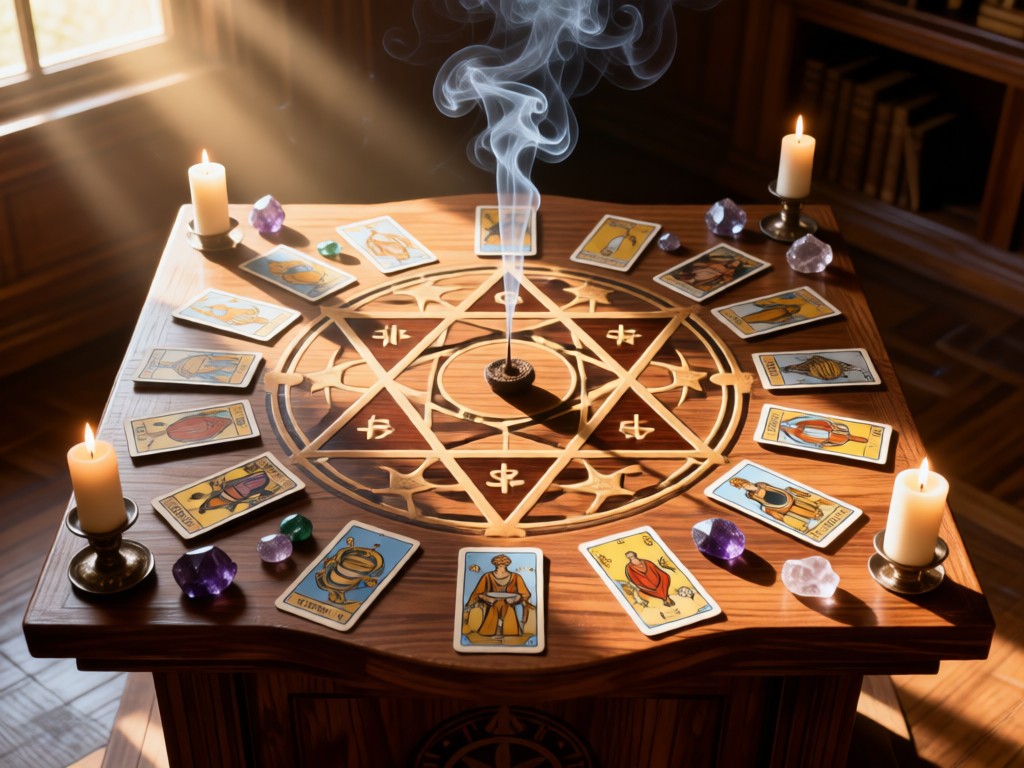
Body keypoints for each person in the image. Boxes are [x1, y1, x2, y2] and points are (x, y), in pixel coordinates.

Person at [728, 477, 838, 532]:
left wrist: (786, 494)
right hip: (776, 505)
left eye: (745, 484)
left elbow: (773, 488)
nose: (745, 487)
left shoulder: (761, 484)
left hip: (784, 497)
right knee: (792, 510)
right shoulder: (750, 495)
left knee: (799, 503)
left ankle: (817, 511)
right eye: (743, 487)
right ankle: (811, 518)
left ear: (746, 482)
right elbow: (761, 504)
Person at [467, 554, 532, 637]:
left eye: (502, 565)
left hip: (509, 604)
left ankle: (509, 631)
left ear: (506, 565)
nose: (500, 567)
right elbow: (478, 593)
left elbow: (525, 594)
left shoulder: (516, 577)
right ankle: (491, 630)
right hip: (492, 603)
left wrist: (515, 599)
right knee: (496, 605)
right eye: (498, 565)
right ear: (494, 564)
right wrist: (486, 598)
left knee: (506, 608)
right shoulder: (487, 576)